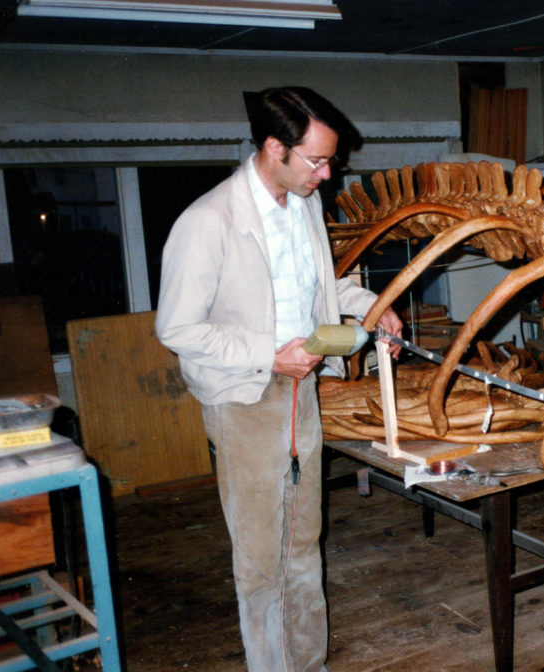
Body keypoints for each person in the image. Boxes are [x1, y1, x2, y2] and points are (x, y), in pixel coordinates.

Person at [155, 86, 401, 672]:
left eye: (331, 160)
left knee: (303, 548)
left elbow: (317, 289)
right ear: (274, 147)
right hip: (245, 400)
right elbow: (178, 328)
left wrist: (370, 304)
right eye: (317, 160)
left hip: (302, 392)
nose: (328, 173)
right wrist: (270, 354)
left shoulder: (305, 204)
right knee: (263, 563)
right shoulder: (208, 221)